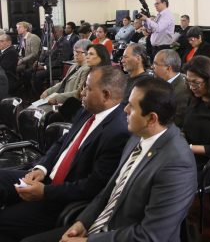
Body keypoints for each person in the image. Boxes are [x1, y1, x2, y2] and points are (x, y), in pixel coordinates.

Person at [24, 78, 197, 242]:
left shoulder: (177, 165)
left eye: (132, 107)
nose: (125, 109)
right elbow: (109, 190)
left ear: (151, 118)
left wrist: (89, 240)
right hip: (101, 229)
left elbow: (151, 235)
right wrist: (83, 222)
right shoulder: (137, 137)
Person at [0, 66, 132, 242]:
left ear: (106, 95)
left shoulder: (118, 132)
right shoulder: (87, 110)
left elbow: (92, 187)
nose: (81, 92)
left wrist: (45, 192)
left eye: (87, 88)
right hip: (46, 179)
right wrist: (41, 169)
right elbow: (61, 143)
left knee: (4, 221)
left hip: (61, 198)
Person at [40, 39, 91, 105]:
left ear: (86, 54)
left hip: (69, 103)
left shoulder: (86, 69)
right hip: (62, 99)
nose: (75, 54)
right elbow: (62, 83)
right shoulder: (73, 66)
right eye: (74, 51)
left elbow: (78, 93)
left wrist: (57, 98)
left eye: (78, 52)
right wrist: (48, 92)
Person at [153, 49, 191, 128]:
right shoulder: (160, 82)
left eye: (155, 64)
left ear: (168, 68)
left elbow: (177, 122)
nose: (152, 67)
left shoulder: (182, 91)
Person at [31, 25, 72, 95]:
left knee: (37, 75)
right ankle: (33, 93)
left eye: (54, 32)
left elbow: (60, 61)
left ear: (60, 32)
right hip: (48, 65)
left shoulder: (64, 43)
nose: (52, 34)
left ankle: (40, 95)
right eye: (52, 32)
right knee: (30, 71)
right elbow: (46, 55)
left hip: (57, 68)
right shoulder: (53, 42)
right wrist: (39, 62)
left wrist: (44, 67)